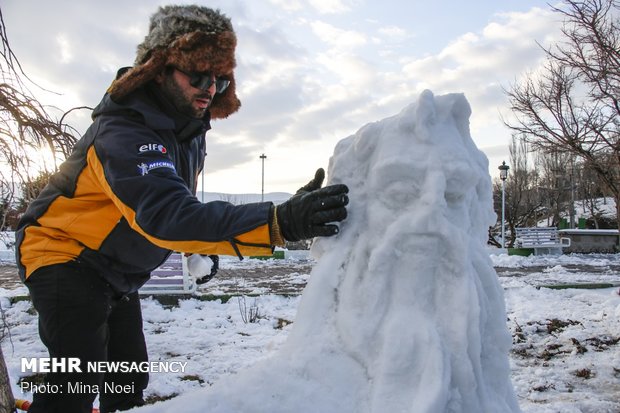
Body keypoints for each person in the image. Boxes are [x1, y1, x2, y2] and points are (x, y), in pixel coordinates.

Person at [15, 5, 348, 413]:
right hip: (63, 255)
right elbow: (164, 215)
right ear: (159, 69)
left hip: (116, 270)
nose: (211, 88)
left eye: (220, 79)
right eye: (198, 76)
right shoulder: (124, 131)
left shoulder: (188, 130)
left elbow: (178, 205)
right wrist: (279, 222)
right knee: (78, 378)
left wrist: (201, 247)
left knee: (128, 378)